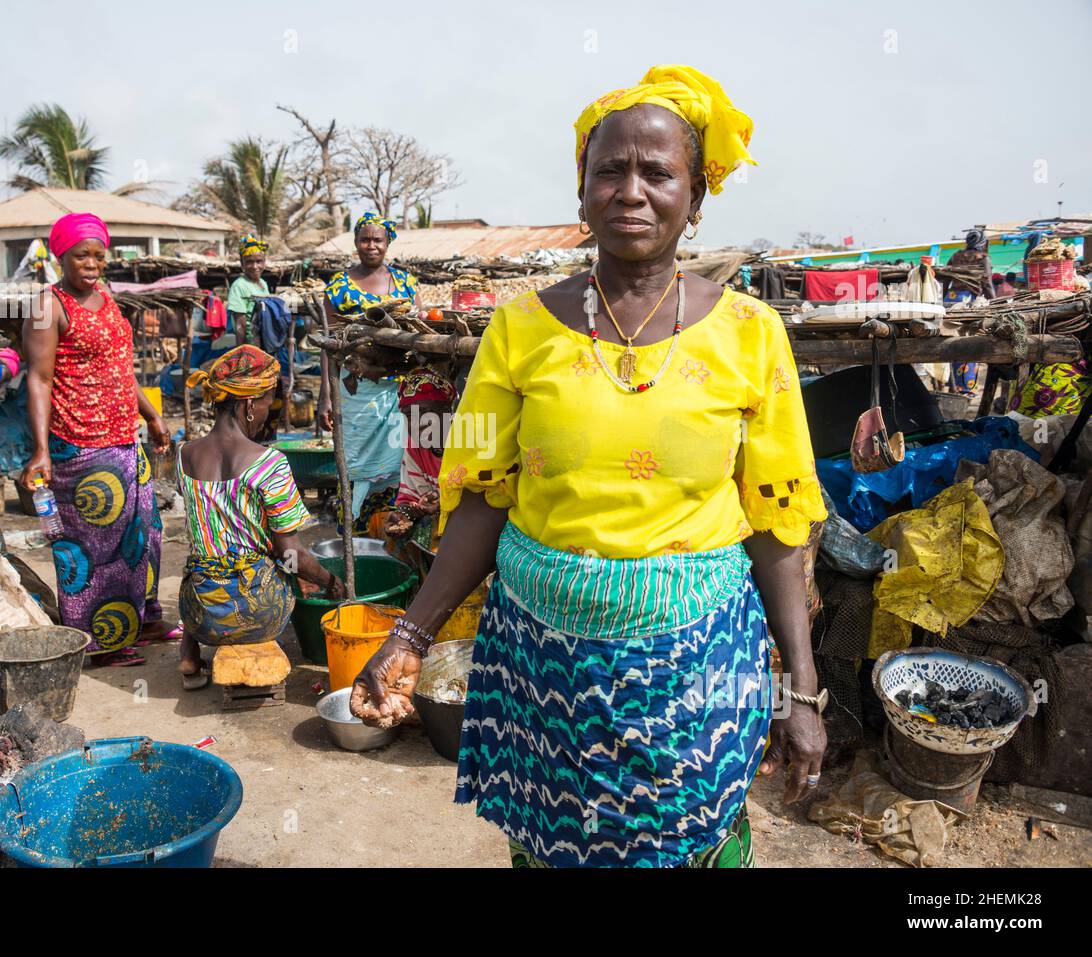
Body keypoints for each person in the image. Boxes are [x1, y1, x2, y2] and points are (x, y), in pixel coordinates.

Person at [349, 65, 828, 868]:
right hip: (543, 662)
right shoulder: (517, 329)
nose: (631, 190)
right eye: (610, 169)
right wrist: (408, 635)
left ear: (697, 196)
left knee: (688, 846)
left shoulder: (753, 333)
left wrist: (803, 688)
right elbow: (479, 504)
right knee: (551, 846)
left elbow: (779, 525)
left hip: (693, 663)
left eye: (658, 171)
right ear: (581, 193)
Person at [20, 212, 173, 667]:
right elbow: (39, 379)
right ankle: (99, 643)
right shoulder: (48, 307)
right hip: (80, 444)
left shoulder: (106, 299)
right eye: (80, 255)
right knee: (93, 549)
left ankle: (143, 618)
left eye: (98, 255)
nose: (91, 263)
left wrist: (153, 416)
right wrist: (41, 449)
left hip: (125, 438)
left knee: (145, 535)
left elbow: (120, 370)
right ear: (60, 256)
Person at [176, 346, 345, 688]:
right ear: (250, 404)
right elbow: (290, 554)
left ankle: (190, 651)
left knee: (201, 557)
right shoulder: (270, 463)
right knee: (278, 561)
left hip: (199, 613)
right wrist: (330, 582)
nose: (271, 411)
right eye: (269, 402)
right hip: (254, 614)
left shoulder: (185, 455)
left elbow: (214, 527)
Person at [317, 213, 419, 537]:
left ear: (388, 243)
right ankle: (355, 533)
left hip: (395, 390)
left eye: (378, 240)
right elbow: (327, 344)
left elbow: (417, 335)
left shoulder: (405, 285)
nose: (371, 245)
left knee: (396, 460)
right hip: (353, 391)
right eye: (365, 239)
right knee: (354, 462)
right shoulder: (338, 286)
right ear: (356, 242)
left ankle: (390, 532)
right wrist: (325, 396)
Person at [383, 367, 458, 558]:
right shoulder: (415, 448)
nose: (418, 423)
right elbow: (411, 498)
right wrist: (404, 514)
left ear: (447, 410)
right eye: (410, 415)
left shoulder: (469, 443)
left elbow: (485, 503)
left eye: (425, 413)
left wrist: (443, 503)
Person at [943, 230, 994, 394]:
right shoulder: (983, 258)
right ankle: (965, 387)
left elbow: (945, 278)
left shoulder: (956, 256)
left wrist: (945, 299)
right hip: (967, 302)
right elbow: (987, 284)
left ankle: (953, 385)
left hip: (951, 300)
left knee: (951, 342)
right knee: (968, 343)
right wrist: (993, 303)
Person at [229, 235, 270, 348]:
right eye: (249, 262)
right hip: (250, 345)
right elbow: (240, 326)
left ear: (264, 262)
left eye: (259, 261)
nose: (255, 266)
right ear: (242, 264)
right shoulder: (239, 286)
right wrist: (242, 352)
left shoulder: (263, 284)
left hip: (264, 342)